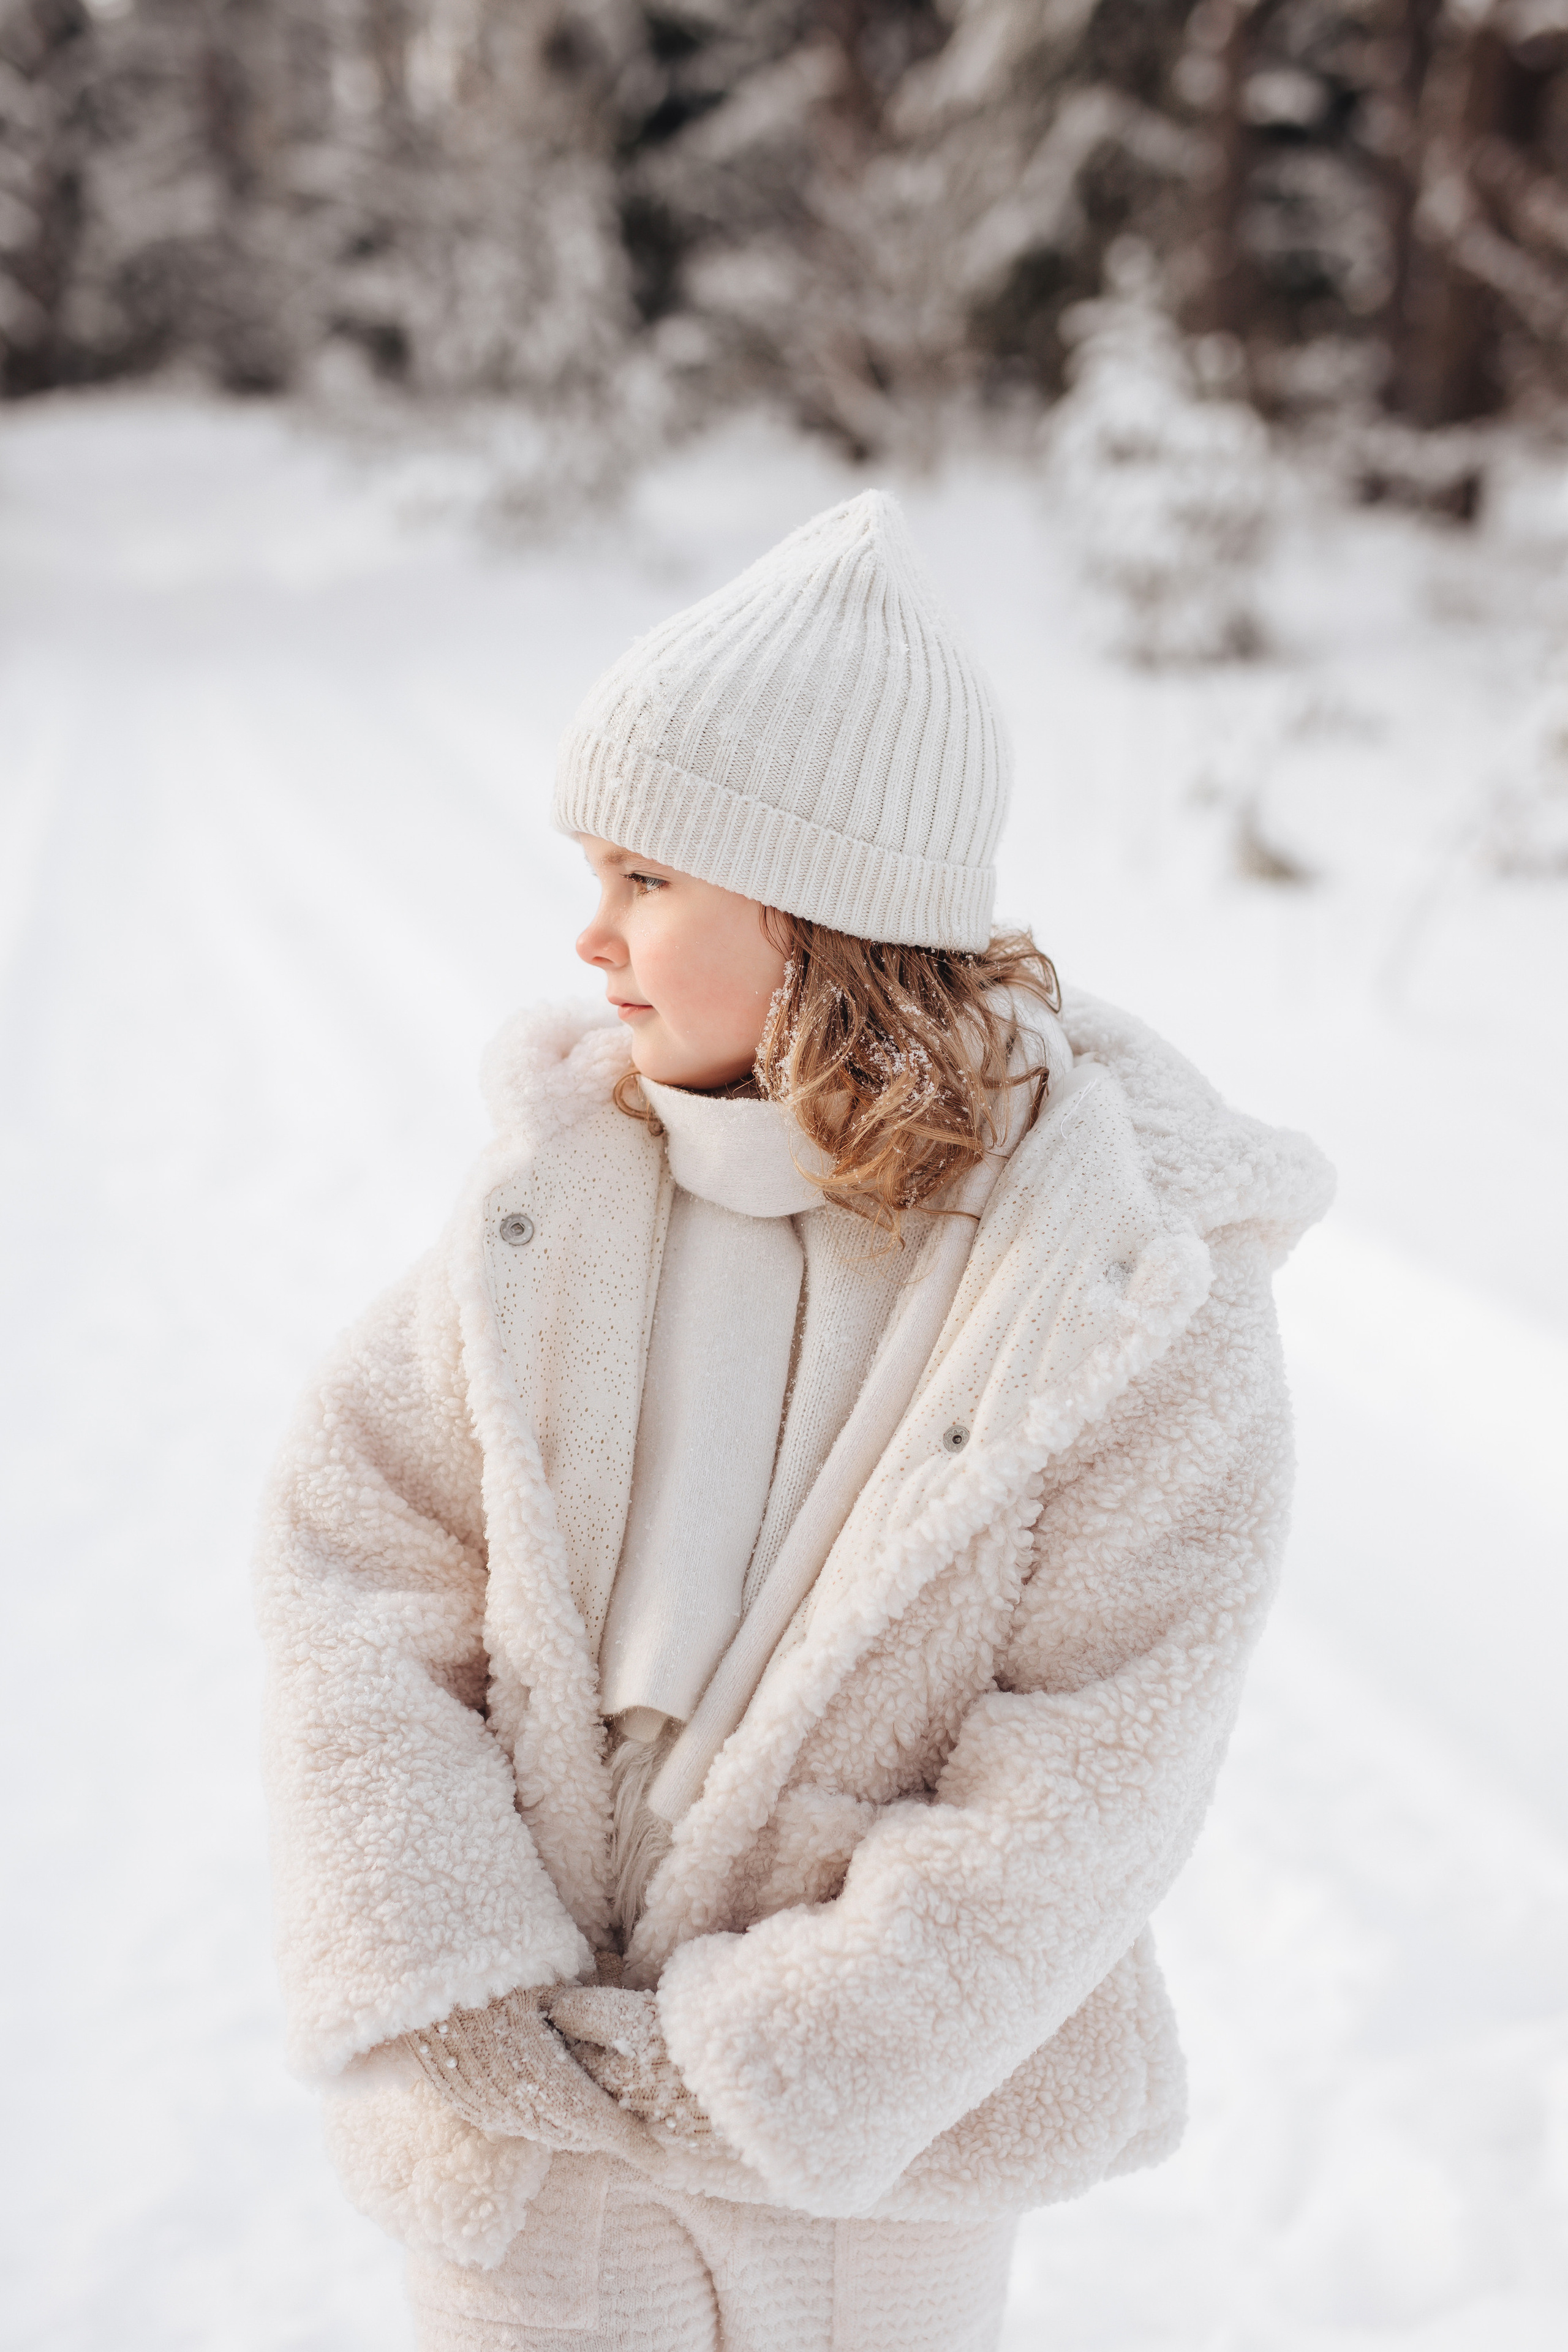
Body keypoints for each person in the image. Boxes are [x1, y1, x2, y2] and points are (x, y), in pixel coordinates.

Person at [255, 491, 1333, 2352]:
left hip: (869, 2170)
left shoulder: (1123, 1295)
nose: (588, 940)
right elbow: (357, 1569)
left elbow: (1100, 1750)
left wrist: (784, 2060)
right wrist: (464, 1985)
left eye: (644, 881)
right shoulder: (548, 1213)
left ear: (815, 908)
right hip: (532, 2135)